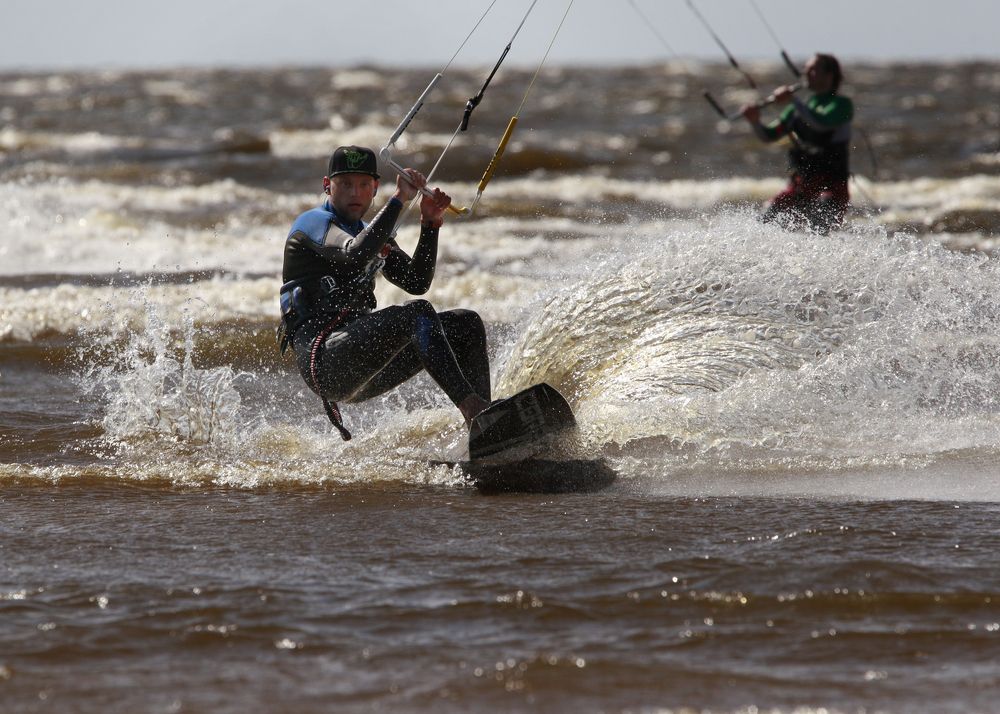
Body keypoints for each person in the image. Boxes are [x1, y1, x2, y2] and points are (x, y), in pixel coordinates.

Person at [278, 145, 492, 440]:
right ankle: (473, 410)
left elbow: (416, 281)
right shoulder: (313, 223)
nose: (355, 193)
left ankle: (487, 426)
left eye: (364, 184)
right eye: (345, 184)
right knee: (417, 312)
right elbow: (354, 252)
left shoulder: (371, 231)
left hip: (363, 362)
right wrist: (400, 198)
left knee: (465, 324)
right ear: (327, 186)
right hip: (326, 359)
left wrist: (429, 224)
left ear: (375, 188)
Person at [741, 53, 854, 234]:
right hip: (801, 186)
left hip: (831, 189)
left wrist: (793, 100)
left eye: (812, 70)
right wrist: (754, 121)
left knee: (820, 224)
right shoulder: (797, 109)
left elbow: (820, 124)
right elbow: (768, 136)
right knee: (765, 218)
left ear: (829, 75)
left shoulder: (841, 105)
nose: (806, 74)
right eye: (805, 70)